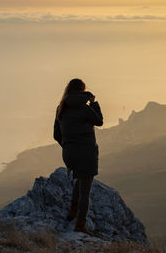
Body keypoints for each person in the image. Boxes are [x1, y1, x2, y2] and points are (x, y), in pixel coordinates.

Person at [53, 78, 103, 236]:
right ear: (83, 90)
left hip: (69, 154)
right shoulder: (84, 108)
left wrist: (68, 146)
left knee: (79, 178)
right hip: (86, 153)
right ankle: (80, 225)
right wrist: (94, 104)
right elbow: (99, 121)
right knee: (85, 190)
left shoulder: (61, 108)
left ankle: (72, 212)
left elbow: (56, 135)